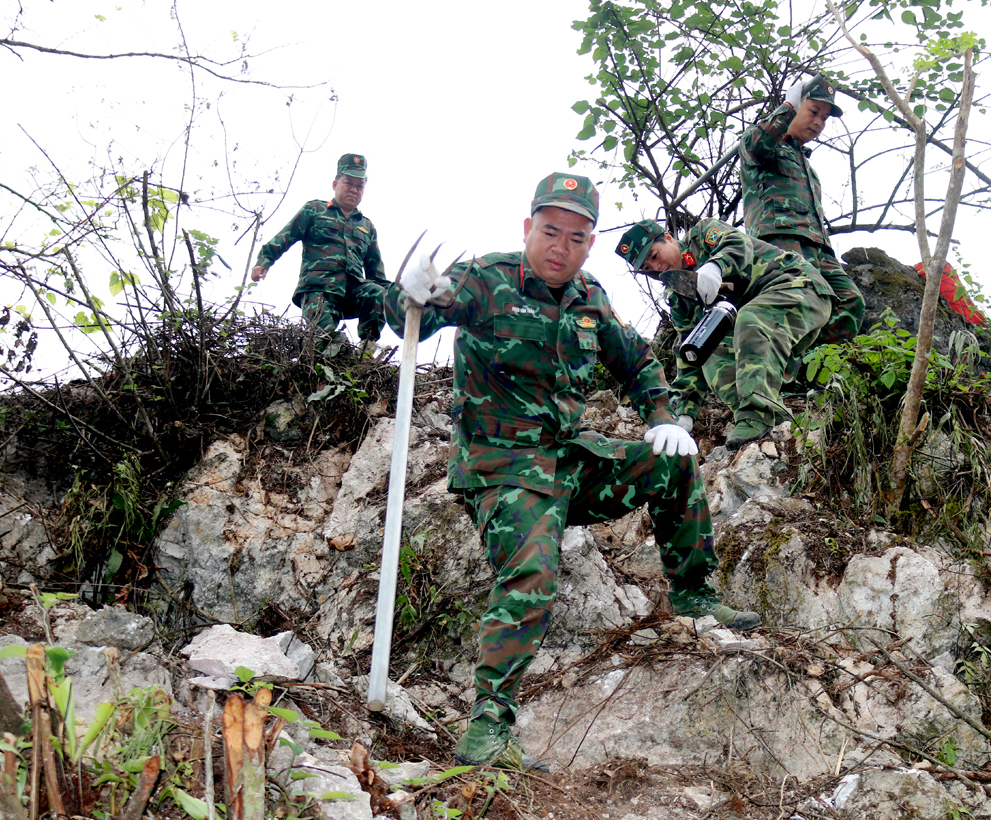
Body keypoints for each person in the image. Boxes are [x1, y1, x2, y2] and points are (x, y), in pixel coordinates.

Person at [383, 173, 759, 771]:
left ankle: (693, 595)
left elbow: (637, 362)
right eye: (550, 231)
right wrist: (410, 293)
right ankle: (488, 725)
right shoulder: (487, 278)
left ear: (589, 244)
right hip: (503, 468)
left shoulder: (590, 296)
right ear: (528, 227)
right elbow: (417, 315)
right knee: (532, 574)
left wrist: (662, 414)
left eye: (577, 237)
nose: (561, 246)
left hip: (570, 459)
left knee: (675, 462)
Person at [616, 219, 833, 449]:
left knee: (751, 319)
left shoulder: (701, 236)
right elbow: (690, 352)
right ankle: (768, 418)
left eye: (654, 255)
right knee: (710, 355)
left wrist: (715, 266)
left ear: (669, 238)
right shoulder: (678, 295)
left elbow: (738, 243)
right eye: (647, 269)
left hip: (799, 287)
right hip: (760, 323)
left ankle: (757, 414)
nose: (656, 268)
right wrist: (684, 414)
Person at [739, 73, 865, 351]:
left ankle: (812, 364)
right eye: (814, 111)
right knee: (798, 298)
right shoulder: (762, 146)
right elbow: (756, 145)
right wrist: (788, 106)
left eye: (825, 117)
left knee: (850, 301)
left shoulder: (808, 168)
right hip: (780, 242)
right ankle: (784, 372)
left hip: (817, 248)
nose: (819, 122)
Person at [250, 153, 387, 350]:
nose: (354, 190)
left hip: (351, 292)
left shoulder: (367, 226)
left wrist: (399, 297)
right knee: (325, 343)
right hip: (318, 290)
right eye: (348, 183)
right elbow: (286, 236)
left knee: (376, 292)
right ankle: (331, 357)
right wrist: (264, 261)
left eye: (359, 186)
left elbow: (377, 274)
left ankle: (367, 350)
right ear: (335, 184)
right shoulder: (314, 210)